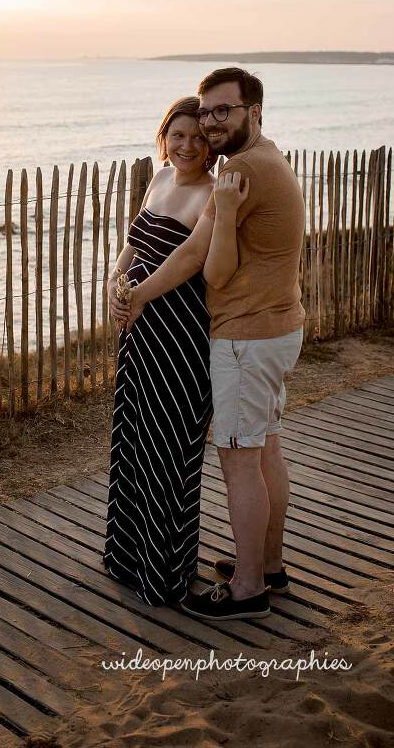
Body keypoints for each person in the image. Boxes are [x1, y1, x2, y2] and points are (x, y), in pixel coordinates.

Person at [111, 68, 305, 621]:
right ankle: (268, 566)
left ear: (254, 111)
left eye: (224, 112)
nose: (211, 125)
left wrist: (138, 295)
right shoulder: (265, 159)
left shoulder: (240, 172)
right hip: (272, 327)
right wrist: (124, 286)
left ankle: (247, 590)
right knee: (264, 447)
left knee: (240, 458)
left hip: (245, 334)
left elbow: (206, 265)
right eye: (206, 111)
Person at [103, 96, 217, 605]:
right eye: (178, 135)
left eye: (197, 137)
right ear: (164, 137)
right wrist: (114, 282)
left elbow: (191, 263)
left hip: (179, 337)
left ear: (211, 146)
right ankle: (127, 559)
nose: (187, 145)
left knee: (169, 451)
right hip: (139, 332)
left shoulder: (213, 196)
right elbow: (134, 243)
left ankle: (164, 573)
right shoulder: (159, 179)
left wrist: (139, 296)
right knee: (133, 442)